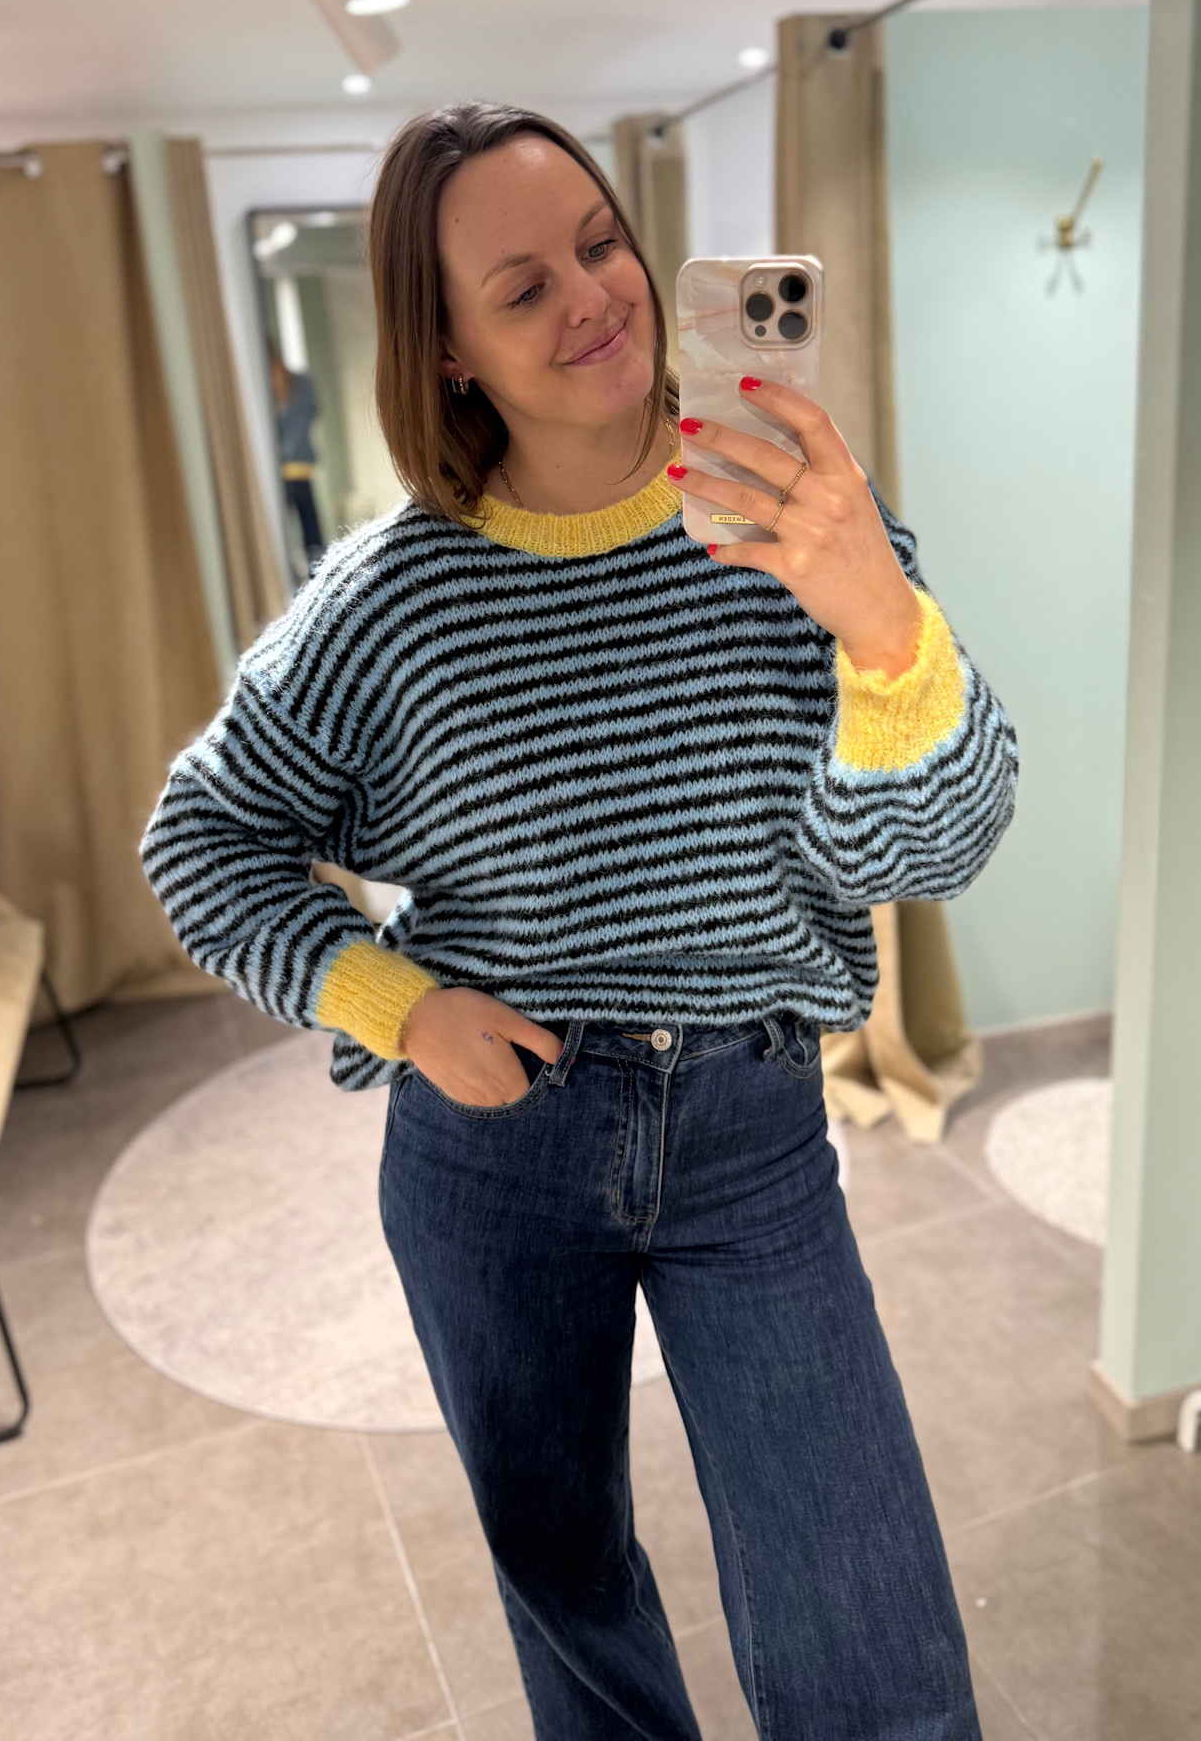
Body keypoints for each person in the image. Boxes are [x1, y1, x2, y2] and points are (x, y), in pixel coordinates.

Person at [142, 102, 1017, 1739]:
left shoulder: (797, 513)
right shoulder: (393, 596)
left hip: (753, 1126)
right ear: (449, 348)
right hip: (499, 1145)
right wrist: (396, 1005)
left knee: (867, 1631)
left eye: (601, 243)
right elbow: (201, 838)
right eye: (521, 287)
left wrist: (880, 619)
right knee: (569, 1588)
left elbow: (940, 843)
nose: (594, 298)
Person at [268, 347, 325, 568]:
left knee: (296, 527)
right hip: (296, 464)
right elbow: (313, 411)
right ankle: (314, 564)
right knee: (307, 525)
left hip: (288, 466)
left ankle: (311, 564)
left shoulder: (291, 386)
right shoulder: (299, 383)